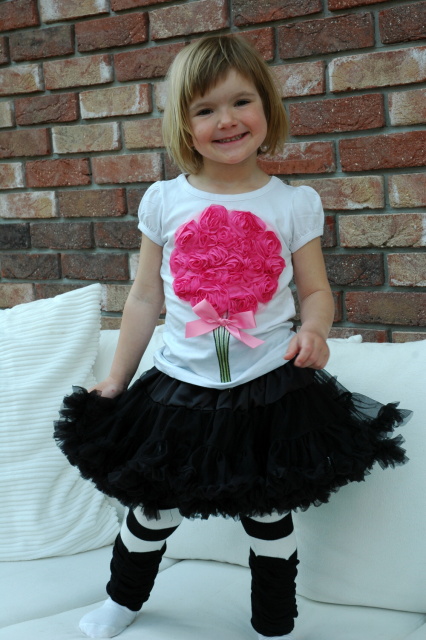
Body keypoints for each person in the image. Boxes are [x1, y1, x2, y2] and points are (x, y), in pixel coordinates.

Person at [54, 35, 410, 640]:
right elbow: (145, 298)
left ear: (266, 107)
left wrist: (315, 329)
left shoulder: (292, 204)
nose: (227, 120)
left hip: (266, 388)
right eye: (205, 109)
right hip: (177, 390)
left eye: (241, 101)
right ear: (183, 125)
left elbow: (315, 291)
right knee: (153, 509)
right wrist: (116, 377)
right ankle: (122, 599)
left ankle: (274, 622)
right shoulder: (166, 200)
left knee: (269, 513)